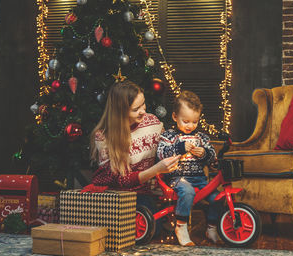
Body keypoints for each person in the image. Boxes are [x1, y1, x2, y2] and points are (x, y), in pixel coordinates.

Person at [88, 80, 180, 220]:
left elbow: (166, 147)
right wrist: (156, 169)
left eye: (143, 103)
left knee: (155, 224)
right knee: (134, 228)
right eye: (135, 109)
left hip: (145, 191)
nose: (143, 111)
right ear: (121, 111)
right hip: (118, 194)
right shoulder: (104, 137)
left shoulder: (153, 122)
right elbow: (121, 180)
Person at [157, 90, 221, 246]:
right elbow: (160, 153)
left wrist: (204, 153)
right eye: (185, 121)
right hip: (177, 178)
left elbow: (212, 154)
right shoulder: (169, 136)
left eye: (194, 122)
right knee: (187, 191)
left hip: (199, 179)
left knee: (218, 198)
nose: (190, 126)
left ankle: (211, 227)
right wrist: (179, 148)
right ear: (174, 117)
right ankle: (181, 226)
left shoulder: (201, 137)